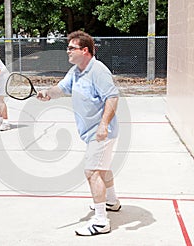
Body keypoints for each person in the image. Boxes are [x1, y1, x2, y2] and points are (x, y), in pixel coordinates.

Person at [37, 31, 121, 236]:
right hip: (91, 131)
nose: (68, 51)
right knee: (102, 168)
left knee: (92, 172)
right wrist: (48, 94)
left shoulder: (98, 70)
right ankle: (111, 201)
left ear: (85, 50)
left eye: (71, 48)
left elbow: (112, 97)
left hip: (101, 132)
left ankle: (101, 221)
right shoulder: (76, 71)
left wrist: (103, 126)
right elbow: (62, 88)